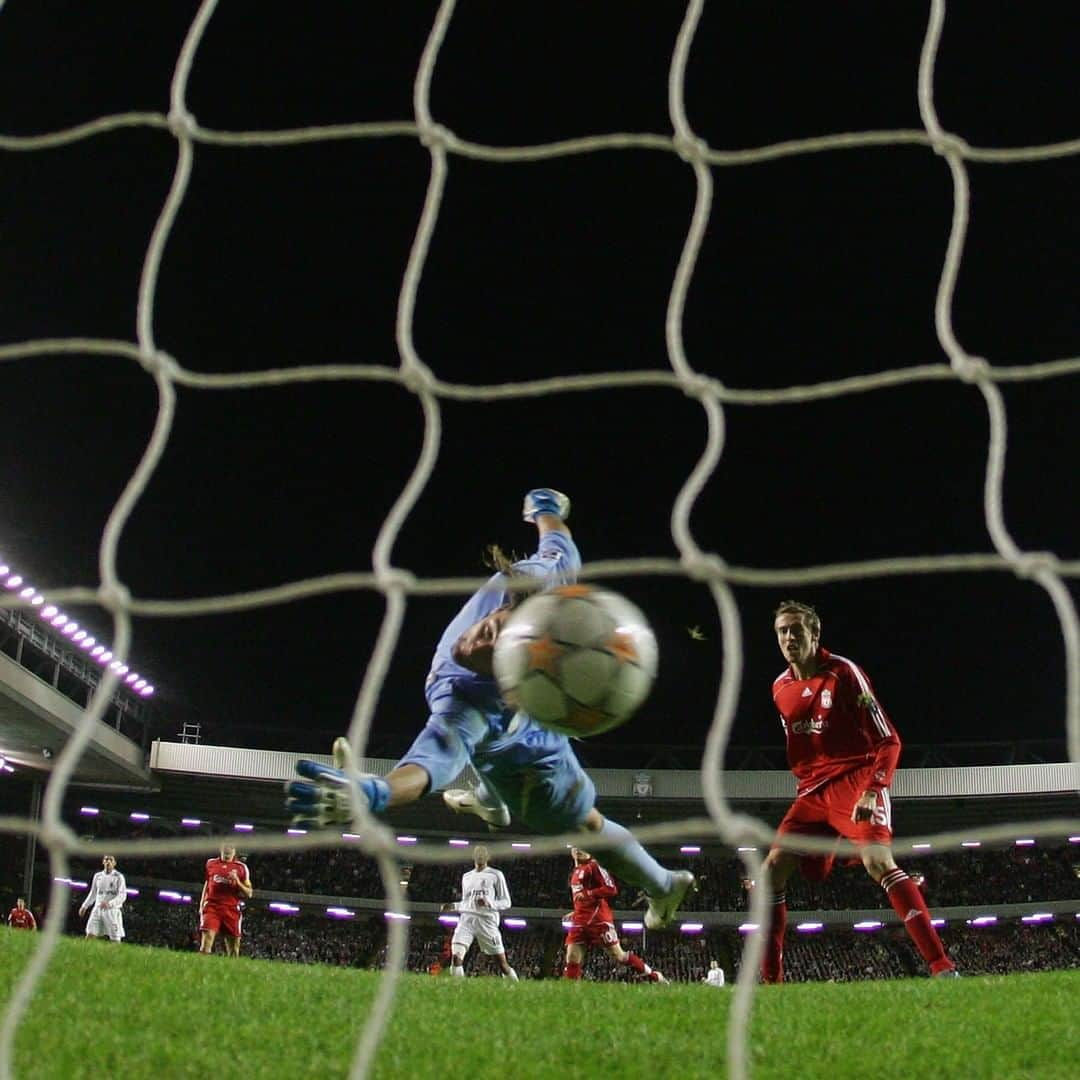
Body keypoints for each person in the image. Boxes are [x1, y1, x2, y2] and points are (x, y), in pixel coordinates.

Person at [287, 489, 695, 930]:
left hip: (531, 760)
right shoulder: (532, 582)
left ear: (517, 683)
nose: (481, 640)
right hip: (515, 723)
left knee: (585, 826)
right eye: (498, 627)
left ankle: (664, 884)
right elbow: (560, 546)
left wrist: (377, 793)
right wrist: (546, 511)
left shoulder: (470, 705)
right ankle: (488, 800)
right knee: (486, 763)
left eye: (497, 654)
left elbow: (432, 763)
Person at [756, 600, 956, 981]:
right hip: (811, 793)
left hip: (857, 780)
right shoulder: (779, 688)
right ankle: (772, 985)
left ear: (815, 634)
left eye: (796, 629)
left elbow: (890, 740)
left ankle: (942, 967)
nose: (788, 637)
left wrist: (873, 788)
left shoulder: (845, 673)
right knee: (770, 872)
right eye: (782, 631)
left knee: (878, 861)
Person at [562, 846, 667, 983]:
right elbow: (581, 898)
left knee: (619, 956)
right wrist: (576, 911)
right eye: (575, 847)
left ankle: (655, 977)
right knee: (572, 958)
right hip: (580, 920)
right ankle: (570, 995)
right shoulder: (576, 871)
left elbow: (611, 889)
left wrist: (589, 894)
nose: (578, 850)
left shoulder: (595, 866)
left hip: (598, 921)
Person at [439, 844, 518, 980]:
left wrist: (489, 903)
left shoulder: (496, 875)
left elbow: (506, 902)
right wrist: (453, 906)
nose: (480, 855)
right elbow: (467, 902)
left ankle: (516, 989)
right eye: (477, 853)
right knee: (456, 957)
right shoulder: (466, 877)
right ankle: (459, 992)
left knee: (502, 964)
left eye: (483, 853)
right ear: (473, 856)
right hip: (467, 920)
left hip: (486, 921)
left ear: (488, 857)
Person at [199, 843, 253, 956]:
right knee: (206, 940)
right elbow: (208, 883)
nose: (228, 850)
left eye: (231, 848)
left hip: (231, 909)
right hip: (212, 907)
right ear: (221, 848)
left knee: (233, 949)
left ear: (234, 850)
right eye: (225, 847)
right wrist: (201, 903)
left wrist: (237, 881)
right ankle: (200, 970)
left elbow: (249, 893)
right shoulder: (211, 863)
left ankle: (233, 972)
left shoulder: (241, 868)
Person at [78, 854, 127, 943]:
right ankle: (83, 953)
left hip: (111, 910)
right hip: (97, 909)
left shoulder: (119, 877)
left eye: (111, 860)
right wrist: (84, 906)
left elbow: (122, 895)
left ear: (114, 863)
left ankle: (116, 956)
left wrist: (110, 903)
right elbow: (93, 893)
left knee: (115, 939)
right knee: (90, 934)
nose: (108, 861)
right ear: (103, 862)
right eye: (106, 859)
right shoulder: (97, 876)